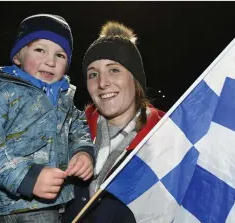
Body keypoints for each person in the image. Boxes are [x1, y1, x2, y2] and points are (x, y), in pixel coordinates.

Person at [0, 14, 96, 223]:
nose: (50, 61)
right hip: (19, 207)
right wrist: (28, 177)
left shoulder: (65, 97)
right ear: (18, 56)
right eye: (40, 50)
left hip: (59, 203)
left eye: (60, 55)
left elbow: (78, 128)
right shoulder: (0, 91)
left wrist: (83, 152)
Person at [62, 21, 165, 223]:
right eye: (93, 74)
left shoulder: (166, 136)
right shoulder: (72, 131)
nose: (102, 83)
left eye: (114, 70)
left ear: (135, 79)